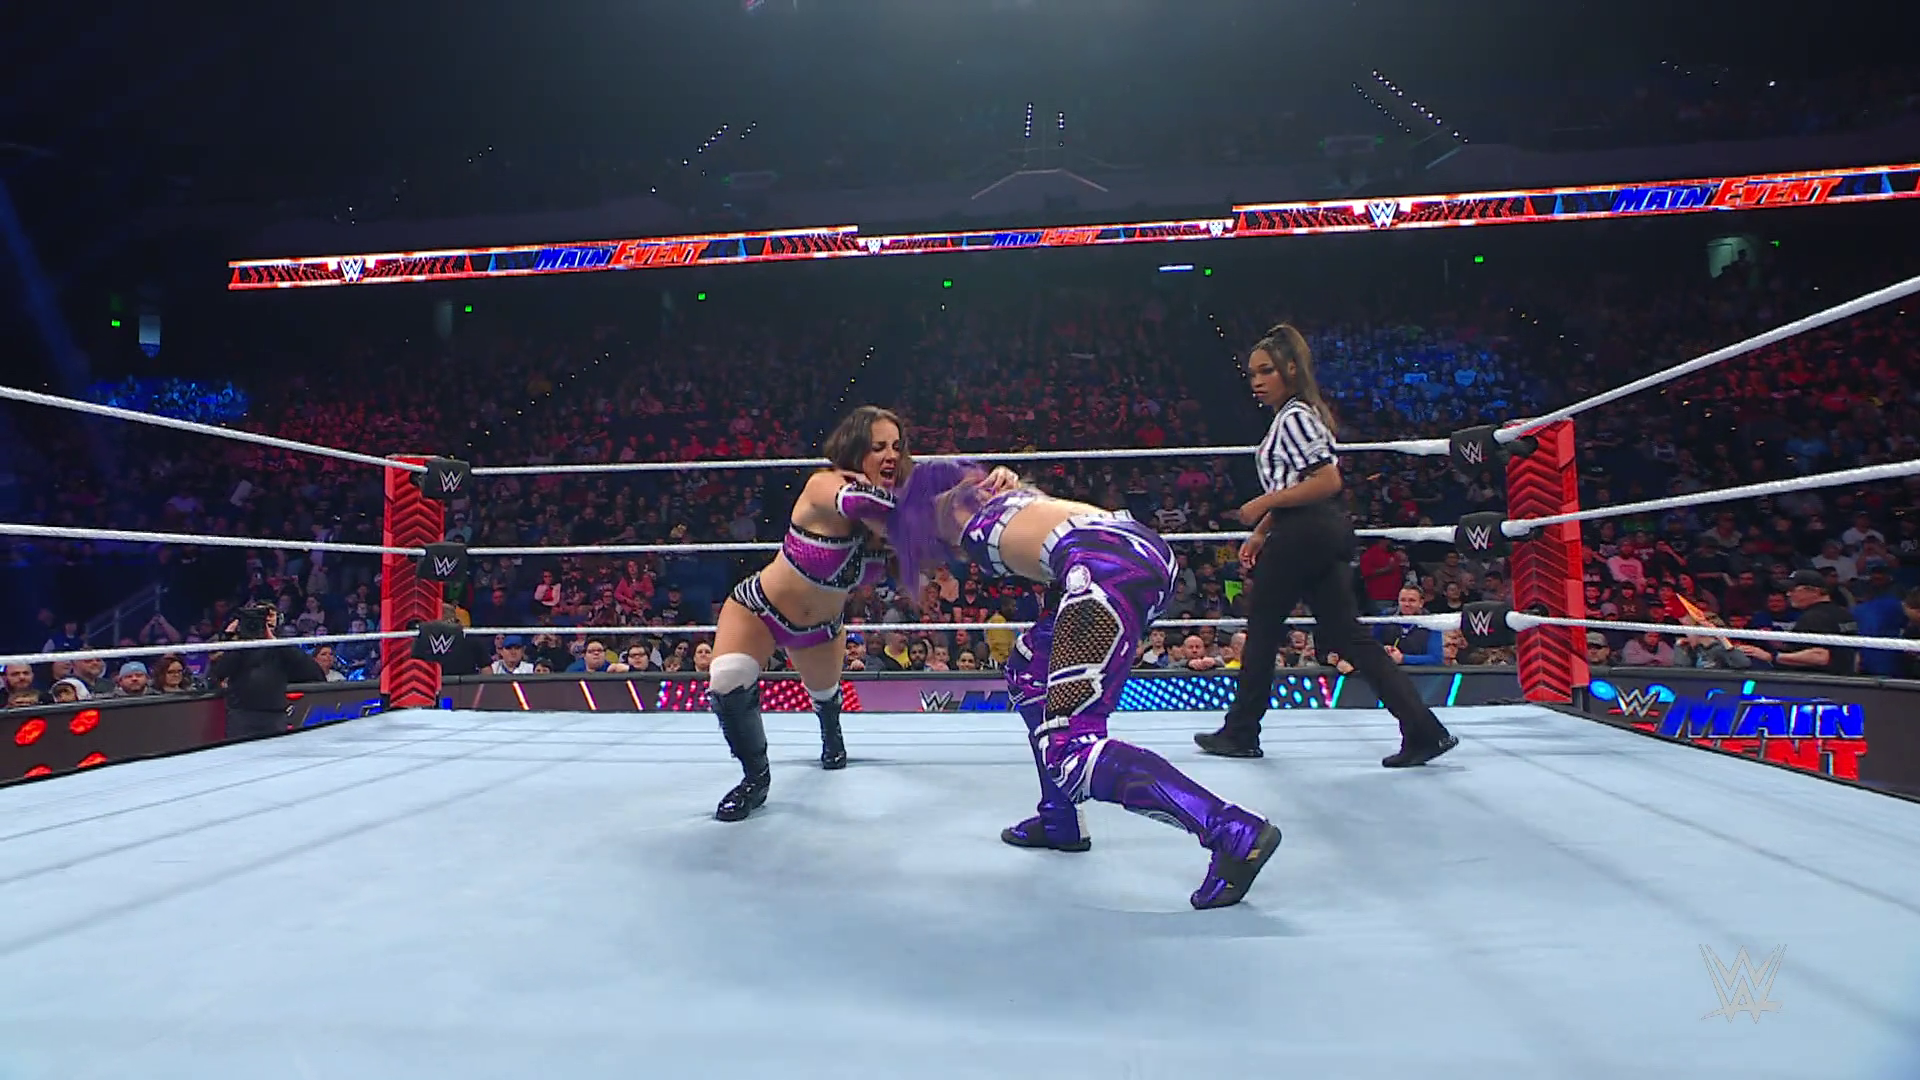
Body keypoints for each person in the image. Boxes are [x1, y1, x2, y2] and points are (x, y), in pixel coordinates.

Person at [890, 460, 1282, 910]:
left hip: (1104, 568)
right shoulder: (1006, 496)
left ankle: (1233, 831)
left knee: (1072, 751)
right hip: (1124, 552)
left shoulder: (952, 506)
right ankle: (1059, 818)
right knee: (1029, 670)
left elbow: (894, 508)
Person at [707, 405, 1021, 822]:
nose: (890, 455)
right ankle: (754, 779)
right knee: (729, 679)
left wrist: (994, 487)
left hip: (820, 629)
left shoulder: (895, 510)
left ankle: (830, 730)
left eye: (896, 446)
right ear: (855, 449)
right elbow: (883, 509)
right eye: (878, 447)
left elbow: (933, 525)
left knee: (824, 694)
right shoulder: (825, 484)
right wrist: (965, 490)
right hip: (758, 610)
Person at [1194, 323, 1458, 767]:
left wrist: (1263, 504)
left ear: (1290, 370)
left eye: (1266, 371)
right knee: (1346, 634)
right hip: (1318, 530)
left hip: (1305, 532)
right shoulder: (1297, 415)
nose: (1257, 381)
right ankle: (1424, 729)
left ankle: (1241, 731)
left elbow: (1326, 481)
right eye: (1252, 373)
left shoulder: (1294, 418)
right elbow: (1302, 486)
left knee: (1262, 628)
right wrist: (1261, 531)